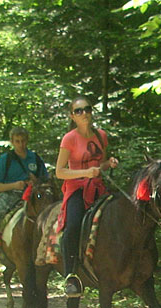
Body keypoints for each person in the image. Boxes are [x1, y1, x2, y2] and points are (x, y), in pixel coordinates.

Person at [55, 96, 118, 297]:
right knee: (73, 225)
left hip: (98, 187)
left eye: (87, 109)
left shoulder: (101, 136)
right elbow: (59, 172)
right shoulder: (69, 139)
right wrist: (84, 173)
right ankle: (71, 275)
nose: (84, 114)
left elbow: (99, 166)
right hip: (76, 189)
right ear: (72, 116)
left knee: (119, 215)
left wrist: (109, 164)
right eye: (79, 111)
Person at [0, 127, 48, 266]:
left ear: (27, 141)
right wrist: (15, 185)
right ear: (12, 142)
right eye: (17, 141)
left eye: (23, 141)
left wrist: (35, 181)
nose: (21, 144)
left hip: (33, 194)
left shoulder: (35, 158)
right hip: (10, 194)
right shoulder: (5, 160)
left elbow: (45, 180)